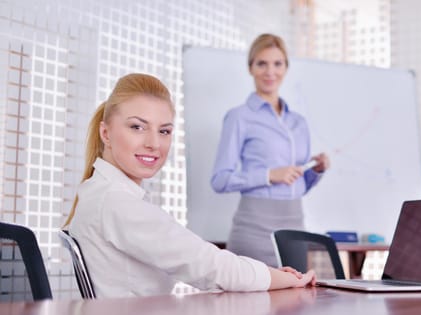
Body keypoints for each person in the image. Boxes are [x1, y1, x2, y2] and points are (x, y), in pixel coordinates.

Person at [63, 73, 315, 298]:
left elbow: (203, 263)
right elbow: (209, 266)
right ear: (105, 133)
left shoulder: (102, 192)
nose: (153, 143)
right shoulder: (117, 203)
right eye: (137, 127)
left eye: (164, 131)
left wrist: (270, 276)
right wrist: (290, 279)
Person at [211, 33, 330, 267]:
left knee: (296, 301)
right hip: (254, 230)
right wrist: (269, 175)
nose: (270, 72)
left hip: (295, 228)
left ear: (286, 68)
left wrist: (316, 171)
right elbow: (219, 180)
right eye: (262, 63)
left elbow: (299, 185)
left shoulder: (299, 123)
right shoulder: (239, 117)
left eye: (277, 64)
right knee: (250, 302)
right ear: (250, 68)